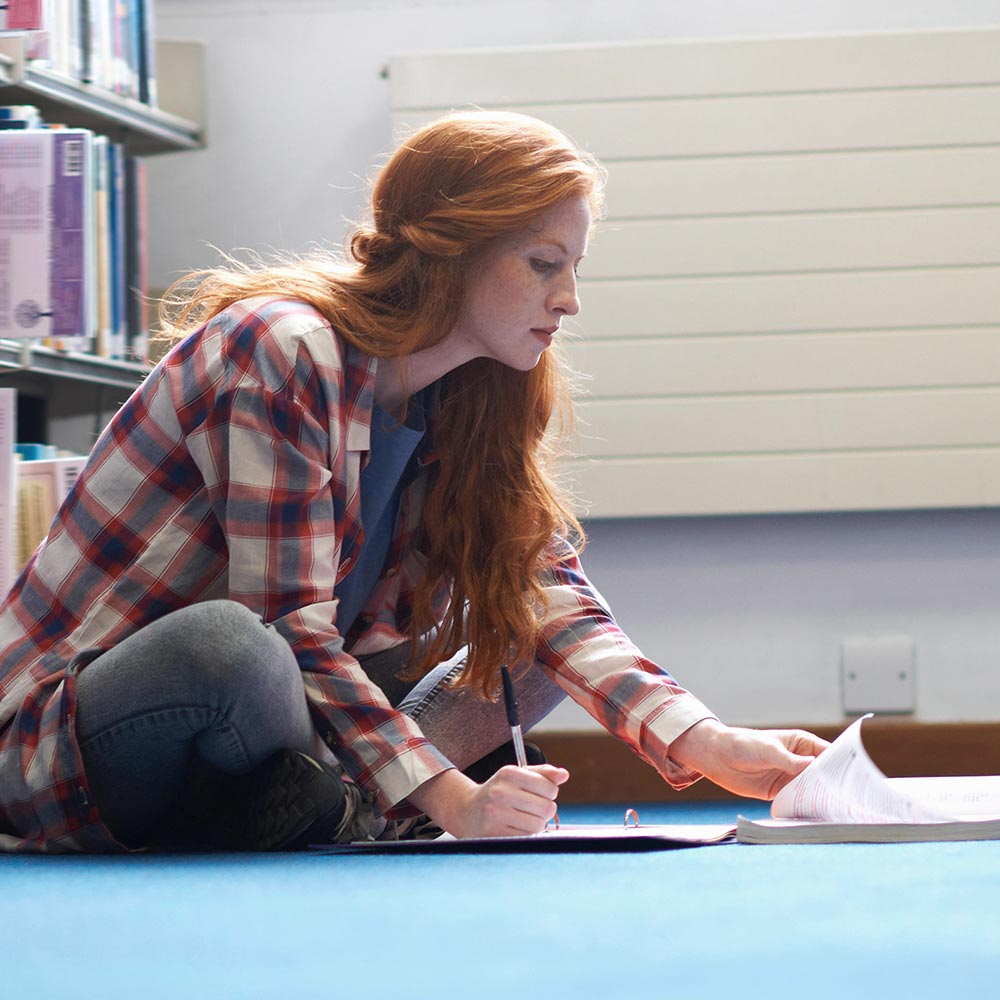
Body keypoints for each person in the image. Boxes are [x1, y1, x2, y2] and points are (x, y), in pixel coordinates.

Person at [0, 111, 828, 853]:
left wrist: (708, 741)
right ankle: (368, 807)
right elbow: (287, 627)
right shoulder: (282, 349)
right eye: (544, 264)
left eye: (573, 268)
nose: (569, 300)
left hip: (282, 738)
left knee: (531, 639)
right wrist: (457, 796)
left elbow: (551, 594)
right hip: (82, 743)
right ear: (453, 252)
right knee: (232, 647)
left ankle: (334, 808)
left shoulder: (469, 396)